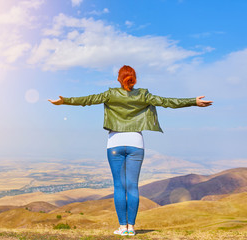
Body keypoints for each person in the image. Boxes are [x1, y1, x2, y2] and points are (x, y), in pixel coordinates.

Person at [48, 65, 213, 236]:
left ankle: (122, 228)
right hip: (136, 142)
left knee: (119, 186)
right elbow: (167, 102)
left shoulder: (110, 94)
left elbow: (88, 100)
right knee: (133, 186)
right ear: (134, 79)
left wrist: (64, 100)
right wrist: (193, 101)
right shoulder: (143, 94)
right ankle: (131, 228)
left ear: (119, 79)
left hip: (115, 143)